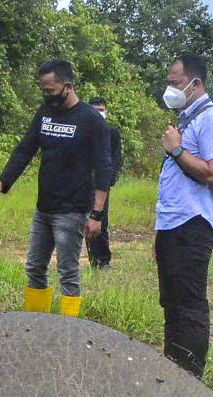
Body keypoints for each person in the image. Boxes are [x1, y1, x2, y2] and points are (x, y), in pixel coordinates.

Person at [0, 60, 111, 317]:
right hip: (44, 208)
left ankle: (68, 329)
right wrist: (2, 182)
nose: (46, 95)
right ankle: (36, 325)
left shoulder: (91, 120)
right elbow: (25, 149)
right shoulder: (45, 112)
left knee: (68, 272)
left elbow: (104, 169)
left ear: (68, 86)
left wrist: (97, 214)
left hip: (72, 210)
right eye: (43, 90)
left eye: (50, 90)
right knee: (34, 267)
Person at [154, 54, 213, 377]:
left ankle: (191, 375)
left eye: (175, 82)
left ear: (194, 83)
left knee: (189, 303)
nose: (169, 89)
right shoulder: (187, 119)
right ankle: (174, 370)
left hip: (194, 224)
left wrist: (176, 150)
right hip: (173, 224)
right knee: (171, 302)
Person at [86, 96, 123, 269]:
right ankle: (93, 260)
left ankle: (103, 261)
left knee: (100, 221)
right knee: (84, 223)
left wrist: (107, 181)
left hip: (101, 185)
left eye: (101, 110)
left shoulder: (112, 133)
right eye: (95, 110)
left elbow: (115, 159)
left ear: (106, 111)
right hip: (82, 183)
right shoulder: (83, 131)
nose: (98, 113)